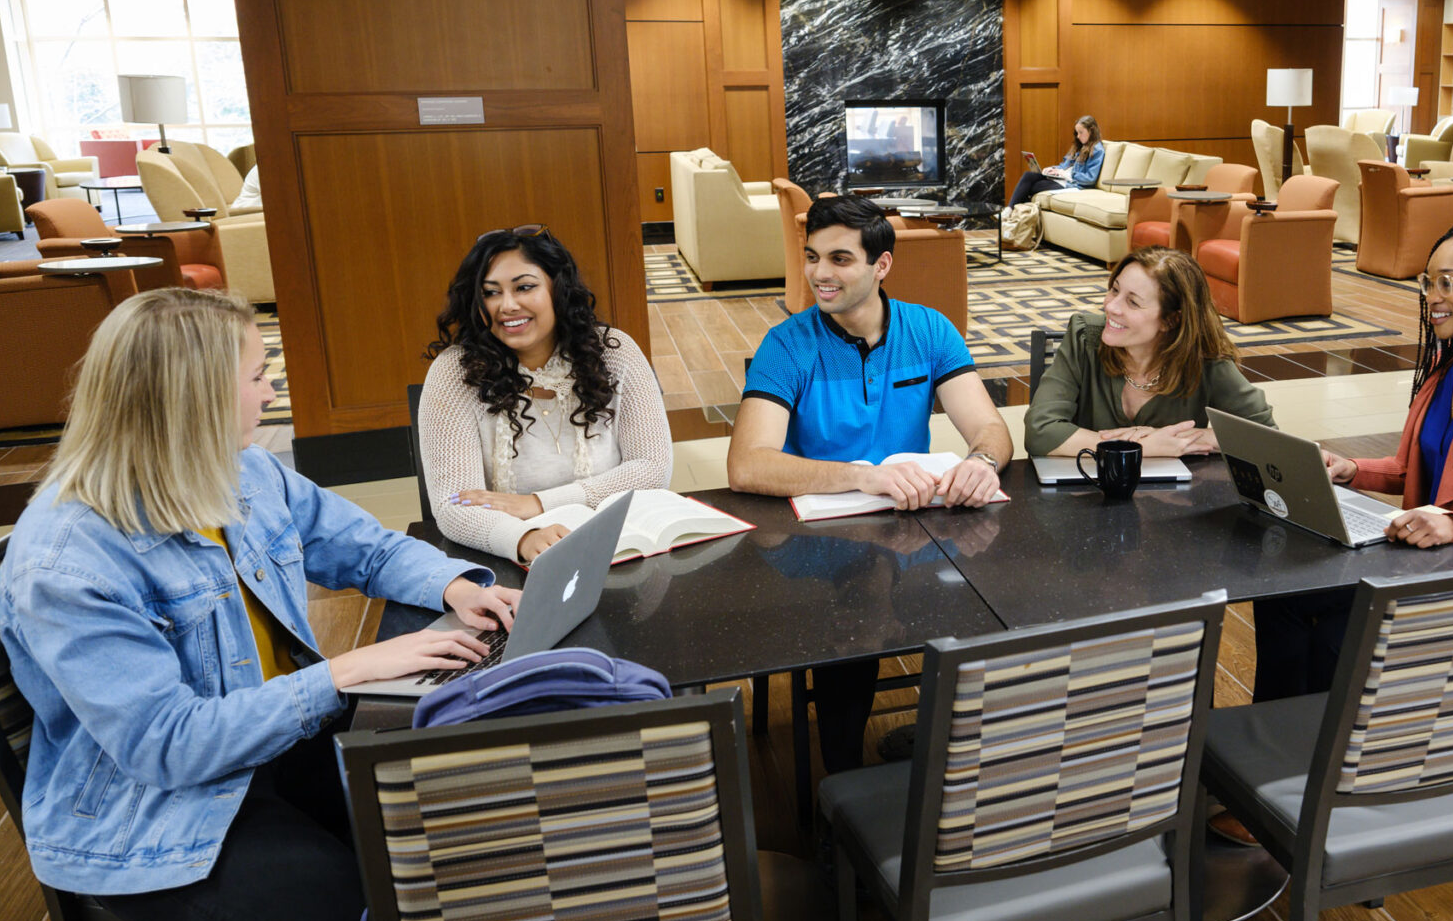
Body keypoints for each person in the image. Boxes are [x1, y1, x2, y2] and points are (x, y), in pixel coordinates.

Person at [0, 288, 517, 921]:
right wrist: (344, 672)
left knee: (450, 833)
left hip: (273, 749)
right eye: (256, 373)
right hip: (160, 811)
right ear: (195, 397)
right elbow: (165, 748)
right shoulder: (69, 559)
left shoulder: (240, 470)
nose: (270, 389)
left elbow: (365, 547)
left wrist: (456, 588)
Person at [729, 194, 1014, 772]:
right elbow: (747, 465)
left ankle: (963, 764)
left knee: (992, 610)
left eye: (839, 259)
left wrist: (980, 461)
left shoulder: (929, 329)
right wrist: (865, 475)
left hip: (917, 522)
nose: (818, 275)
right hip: (819, 533)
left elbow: (990, 428)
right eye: (812, 257)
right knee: (852, 640)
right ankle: (842, 791)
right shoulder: (788, 344)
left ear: (881, 265)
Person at [1251, 216, 1453, 702]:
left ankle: (1333, 763)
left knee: (1336, 634)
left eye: (1449, 283)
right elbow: (1419, 471)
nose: (1433, 295)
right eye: (1429, 282)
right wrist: (1354, 469)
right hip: (1427, 561)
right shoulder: (1448, 370)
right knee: (1280, 597)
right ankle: (1276, 748)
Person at [418, 225, 673, 563]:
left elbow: (653, 469)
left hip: (618, 546)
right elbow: (455, 505)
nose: (507, 306)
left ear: (558, 289)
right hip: (514, 560)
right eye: (491, 293)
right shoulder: (454, 374)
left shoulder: (615, 353)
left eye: (524, 287)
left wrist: (539, 503)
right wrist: (523, 538)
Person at [1023, 247, 1273, 458]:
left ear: (1171, 320)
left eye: (1132, 302)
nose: (1111, 306)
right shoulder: (1084, 337)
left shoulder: (1204, 358)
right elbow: (1040, 431)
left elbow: (1265, 436)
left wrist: (1187, 439)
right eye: (1114, 289)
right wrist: (1140, 447)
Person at [1007, 114, 1105, 207]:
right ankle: (1010, 211)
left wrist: (1066, 174)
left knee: (1032, 187)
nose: (1078, 136)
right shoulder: (1080, 146)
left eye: (1081, 132)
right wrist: (1053, 169)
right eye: (1077, 133)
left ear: (1091, 131)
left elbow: (1090, 179)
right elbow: (1064, 166)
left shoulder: (1097, 150)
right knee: (1028, 175)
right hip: (1061, 178)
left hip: (1072, 184)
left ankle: (1011, 213)